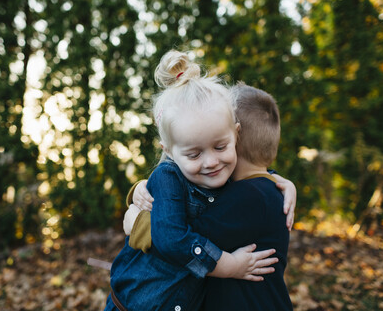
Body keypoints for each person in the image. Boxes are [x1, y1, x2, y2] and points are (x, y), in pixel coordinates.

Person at [104, 50, 279, 311]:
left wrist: (276, 181)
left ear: (236, 135)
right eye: (194, 154)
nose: (210, 162)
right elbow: (171, 239)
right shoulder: (168, 177)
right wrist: (228, 265)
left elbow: (253, 177)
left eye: (220, 147)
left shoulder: (227, 175)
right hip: (135, 305)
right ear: (169, 152)